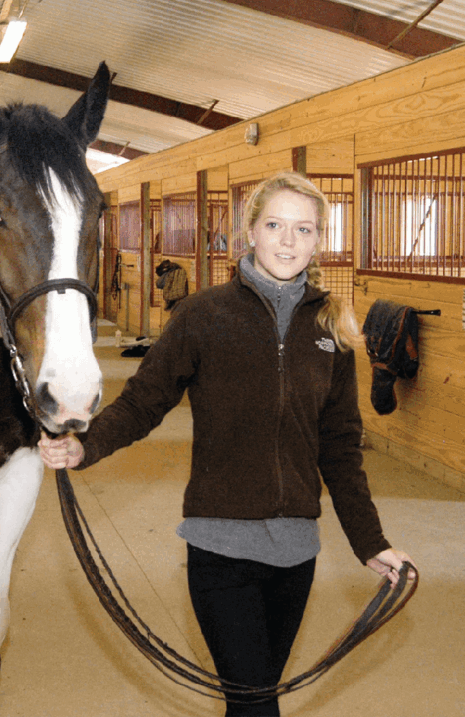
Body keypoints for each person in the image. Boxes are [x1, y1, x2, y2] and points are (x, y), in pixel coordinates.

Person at [39, 172, 415, 717]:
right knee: (257, 705)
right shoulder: (203, 315)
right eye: (275, 225)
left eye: (303, 229)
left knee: (252, 699)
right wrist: (85, 446)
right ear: (251, 231)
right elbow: (145, 400)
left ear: (318, 240)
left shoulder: (331, 326)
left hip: (295, 552)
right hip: (220, 547)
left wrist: (371, 542)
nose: (288, 241)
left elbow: (340, 449)